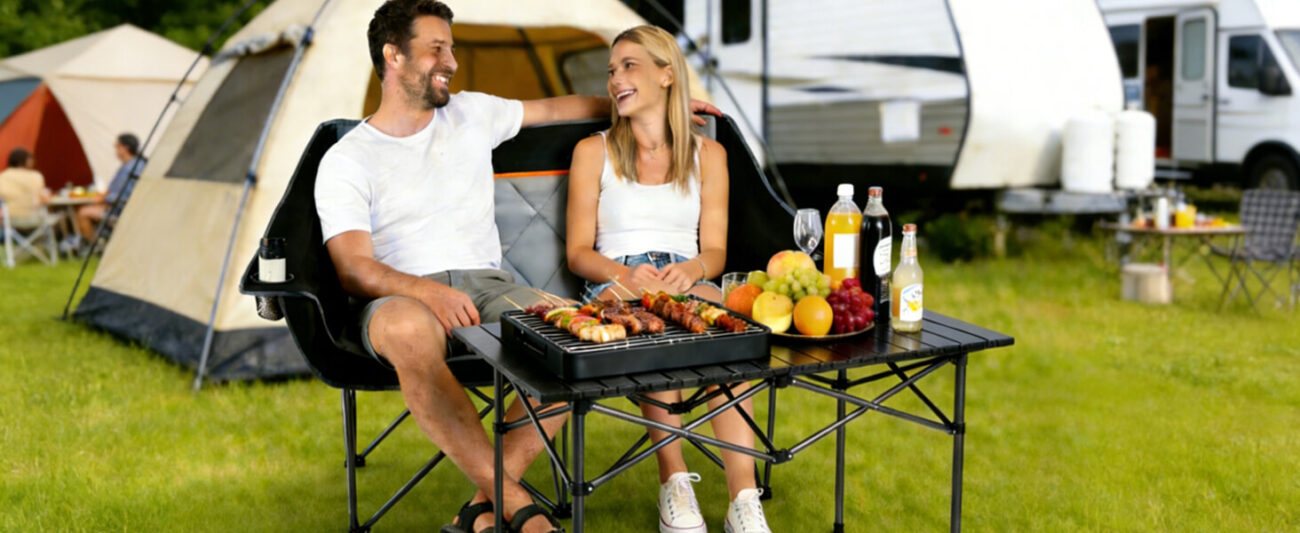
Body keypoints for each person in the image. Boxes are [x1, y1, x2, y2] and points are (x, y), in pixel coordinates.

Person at [315, 2, 720, 532]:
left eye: (452, 48)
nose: (452, 61)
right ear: (393, 55)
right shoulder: (348, 158)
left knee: (578, 339)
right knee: (410, 329)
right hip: (400, 298)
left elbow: (559, 109)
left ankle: (480, 513)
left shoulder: (472, 112)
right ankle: (521, 512)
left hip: (490, 287)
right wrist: (429, 294)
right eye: (437, 49)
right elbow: (353, 268)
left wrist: (648, 105)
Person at [565, 25, 771, 533]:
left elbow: (716, 251)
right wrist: (626, 275)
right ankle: (674, 483)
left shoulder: (710, 157)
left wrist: (693, 270)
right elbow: (577, 254)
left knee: (727, 329)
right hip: (616, 282)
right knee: (661, 332)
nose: (616, 79)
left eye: (629, 66)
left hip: (684, 277)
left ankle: (744, 498)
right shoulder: (593, 152)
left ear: (666, 74)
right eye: (612, 71)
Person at [71, 133, 143, 249]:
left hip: (120, 211)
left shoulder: (130, 168)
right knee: (86, 208)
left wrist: (104, 199)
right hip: (122, 207)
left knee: (82, 212)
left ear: (125, 148)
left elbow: (123, 195)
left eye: (117, 147)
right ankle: (96, 242)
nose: (115, 150)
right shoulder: (135, 164)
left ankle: (94, 246)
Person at [0, 148, 50, 226]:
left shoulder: (2, 176)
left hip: (10, 222)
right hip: (34, 221)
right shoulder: (36, 176)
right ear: (27, 161)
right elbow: (45, 199)